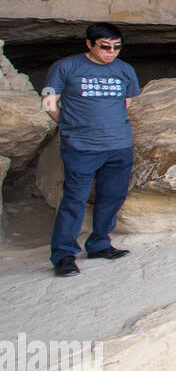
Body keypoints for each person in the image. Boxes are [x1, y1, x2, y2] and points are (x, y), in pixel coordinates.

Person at [41, 22, 141, 277]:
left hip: (119, 145)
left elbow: (125, 103)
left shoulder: (125, 69)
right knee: (74, 199)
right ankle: (63, 255)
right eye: (105, 47)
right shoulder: (66, 67)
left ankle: (99, 244)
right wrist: (68, 125)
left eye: (117, 47)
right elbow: (49, 102)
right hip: (81, 147)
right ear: (89, 44)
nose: (111, 52)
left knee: (112, 197)